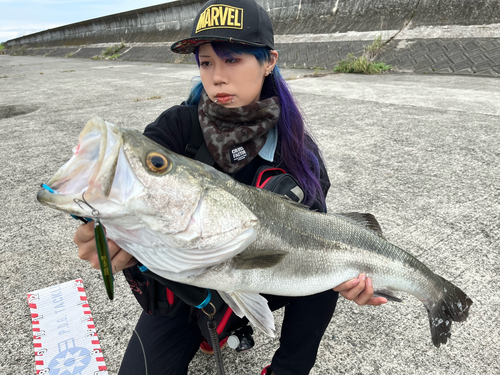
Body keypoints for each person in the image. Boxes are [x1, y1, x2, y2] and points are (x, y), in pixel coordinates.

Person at [74, 0, 387, 374]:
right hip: (186, 285)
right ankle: (213, 328)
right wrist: (99, 228)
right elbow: (122, 178)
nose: (217, 77)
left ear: (269, 61)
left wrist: (355, 281)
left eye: (233, 59)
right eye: (206, 62)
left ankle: (287, 367)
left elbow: (317, 234)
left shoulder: (298, 150)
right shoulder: (177, 128)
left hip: (264, 271)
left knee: (321, 250)